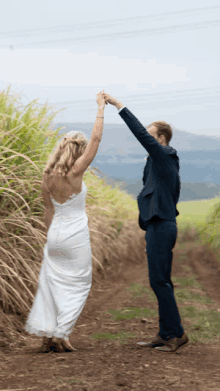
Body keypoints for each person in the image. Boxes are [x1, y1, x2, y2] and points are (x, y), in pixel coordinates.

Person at [103, 93, 189, 353]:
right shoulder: (158, 162)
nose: (146, 140)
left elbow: (140, 133)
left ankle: (176, 334)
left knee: (158, 281)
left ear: (161, 139)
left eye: (151, 136)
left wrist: (119, 106)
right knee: (160, 280)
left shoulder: (164, 156)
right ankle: (165, 334)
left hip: (162, 225)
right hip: (157, 224)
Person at [25, 91, 107, 352]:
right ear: (78, 151)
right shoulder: (75, 172)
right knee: (79, 284)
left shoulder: (47, 176)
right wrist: (100, 107)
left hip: (55, 236)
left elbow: (48, 211)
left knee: (52, 286)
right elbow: (95, 138)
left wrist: (50, 238)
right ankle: (61, 334)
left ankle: (49, 336)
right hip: (75, 236)